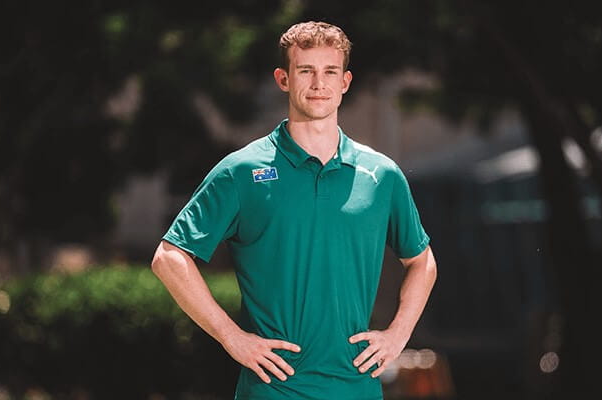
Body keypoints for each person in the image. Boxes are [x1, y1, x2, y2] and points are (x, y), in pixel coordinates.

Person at [151, 21, 437, 400]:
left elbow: (423, 262)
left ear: (345, 82)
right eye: (306, 71)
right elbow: (169, 257)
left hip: (357, 388)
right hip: (272, 390)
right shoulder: (242, 171)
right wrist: (232, 338)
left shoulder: (380, 175)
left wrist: (398, 334)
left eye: (329, 71)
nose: (319, 84)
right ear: (283, 79)